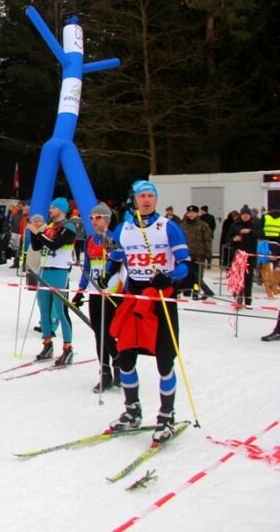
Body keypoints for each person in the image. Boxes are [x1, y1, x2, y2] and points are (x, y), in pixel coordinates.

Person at [104, 180, 190, 445]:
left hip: (161, 298)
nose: (147, 200)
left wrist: (171, 277)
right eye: (142, 196)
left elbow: (187, 265)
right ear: (134, 199)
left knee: (164, 361)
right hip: (134, 298)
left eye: (151, 196)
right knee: (126, 358)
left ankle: (166, 415)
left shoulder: (168, 227)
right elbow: (117, 256)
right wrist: (106, 270)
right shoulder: (125, 229)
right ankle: (132, 411)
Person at [72, 202, 122, 392]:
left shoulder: (114, 239)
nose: (94, 221)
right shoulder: (90, 240)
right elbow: (87, 268)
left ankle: (120, 367)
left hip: (112, 292)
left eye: (98, 218)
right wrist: (80, 291)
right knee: (98, 333)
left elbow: (122, 263)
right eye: (92, 218)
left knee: (109, 334)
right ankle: (105, 373)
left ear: (107, 219)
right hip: (95, 292)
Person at [27, 197, 76, 364]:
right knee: (43, 309)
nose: (50, 211)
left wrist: (38, 233)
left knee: (60, 311)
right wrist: (34, 232)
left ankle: (68, 348)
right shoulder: (49, 227)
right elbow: (37, 246)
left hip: (59, 272)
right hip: (45, 271)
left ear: (61, 210)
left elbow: (55, 244)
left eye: (53, 208)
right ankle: (47, 344)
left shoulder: (68, 227)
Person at [179, 206, 213, 299]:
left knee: (198, 277)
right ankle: (189, 291)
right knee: (188, 274)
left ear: (197, 213)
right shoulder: (182, 225)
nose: (191, 215)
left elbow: (207, 240)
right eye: (189, 213)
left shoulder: (203, 225)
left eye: (193, 213)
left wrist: (208, 254)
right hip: (186, 254)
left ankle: (196, 292)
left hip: (199, 254)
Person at [229, 205, 258, 307]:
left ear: (250, 215)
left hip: (250, 255)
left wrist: (250, 231)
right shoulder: (235, 224)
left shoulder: (254, 224)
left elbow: (261, 234)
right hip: (238, 255)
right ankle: (238, 299)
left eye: (247, 214)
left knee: (248, 279)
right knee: (238, 278)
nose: (245, 216)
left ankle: (248, 301)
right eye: (243, 214)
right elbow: (228, 237)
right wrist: (233, 239)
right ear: (241, 215)